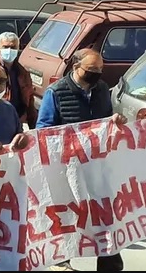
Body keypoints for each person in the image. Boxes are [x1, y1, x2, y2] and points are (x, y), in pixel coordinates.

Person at [36, 48, 126, 272]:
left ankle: (110, 263)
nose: (97, 73)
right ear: (76, 67)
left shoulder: (102, 89)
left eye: (100, 69)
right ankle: (61, 263)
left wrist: (114, 121)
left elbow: (105, 119)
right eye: (92, 69)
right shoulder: (56, 92)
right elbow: (43, 130)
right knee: (69, 218)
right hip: (68, 168)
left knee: (105, 215)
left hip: (98, 166)